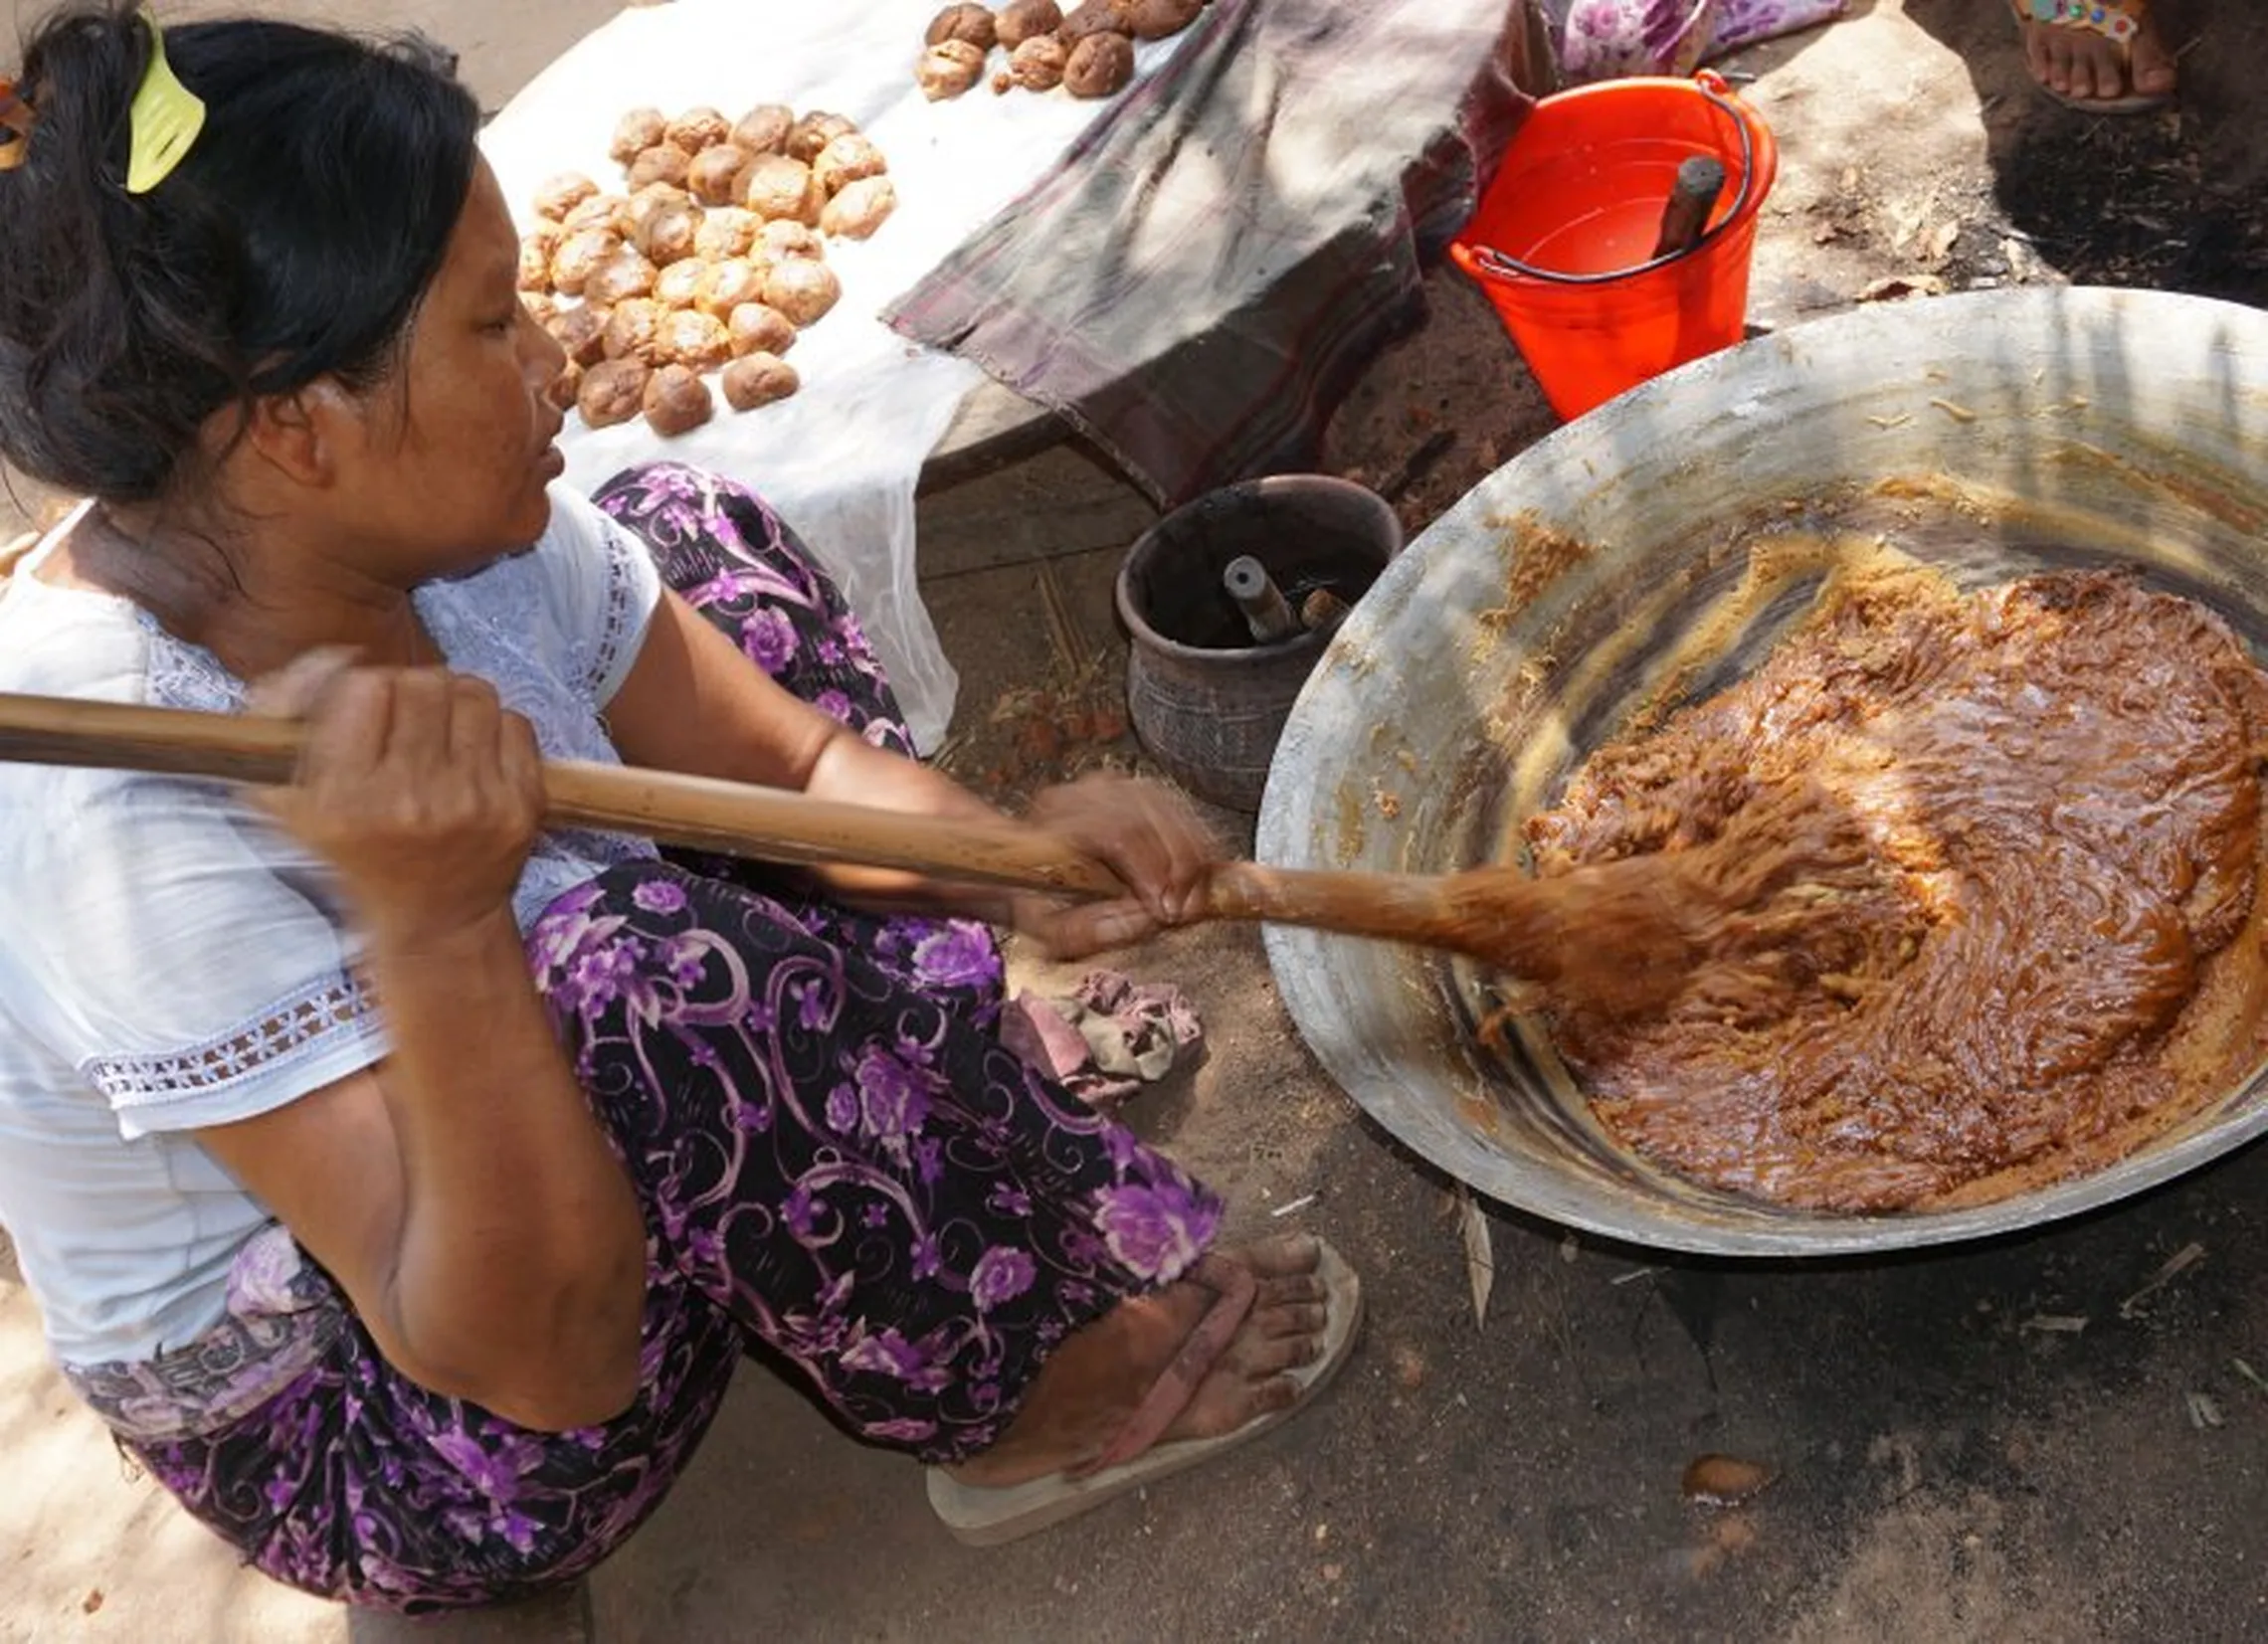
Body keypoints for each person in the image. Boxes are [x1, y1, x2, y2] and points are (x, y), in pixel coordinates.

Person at [0, 4, 1359, 1613]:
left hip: (522, 1168)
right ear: (301, 425)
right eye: (495, 326)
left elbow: (782, 770)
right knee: (646, 970)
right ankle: (1023, 1403)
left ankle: (891, 1114)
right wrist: (436, 925)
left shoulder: (431, 544)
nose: (554, 357)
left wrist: (1009, 870)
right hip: (385, 1389)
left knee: (689, 534)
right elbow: (531, 1362)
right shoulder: (113, 820)